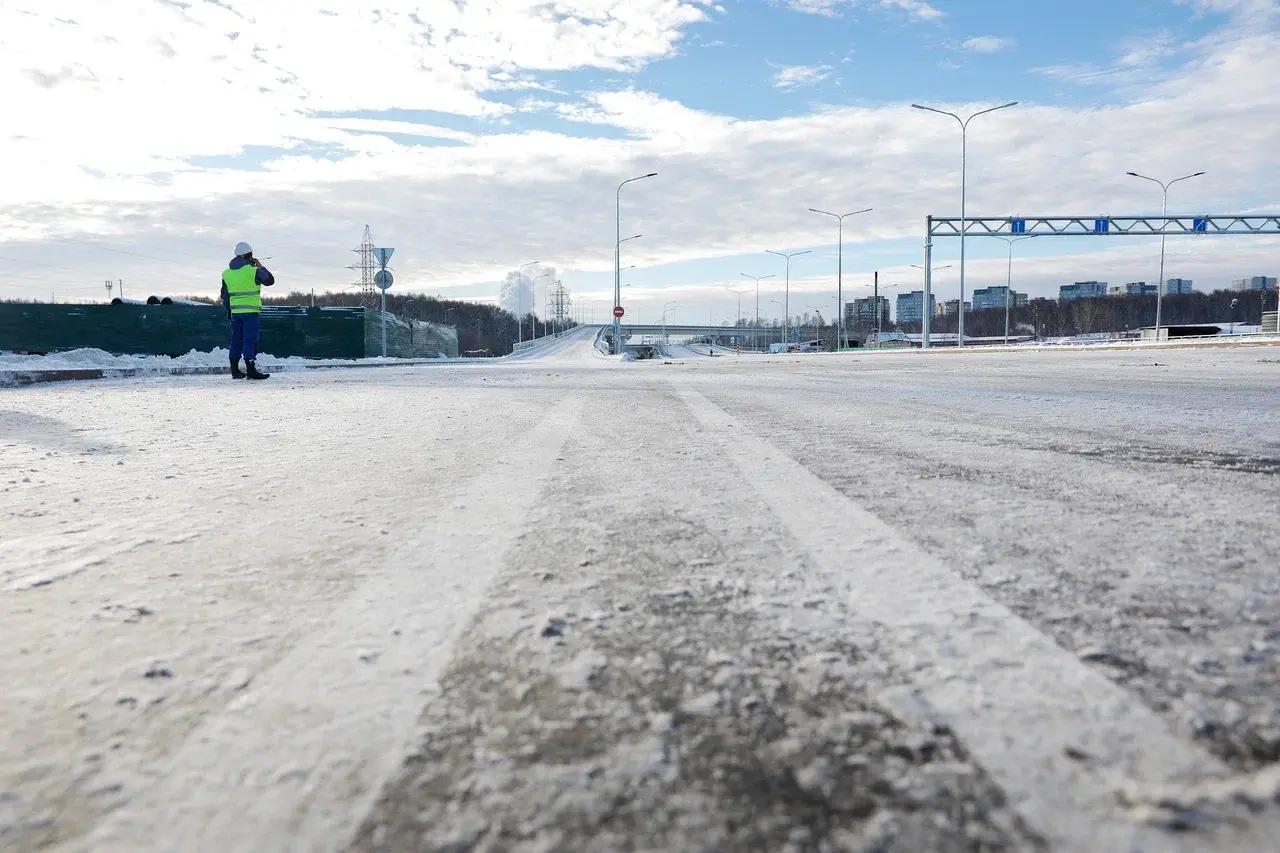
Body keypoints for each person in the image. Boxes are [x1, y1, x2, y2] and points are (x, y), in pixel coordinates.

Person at [220, 241, 275, 380]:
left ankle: (235, 370)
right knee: (250, 340)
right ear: (248, 255)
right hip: (250, 312)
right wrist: (260, 266)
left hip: (235, 313)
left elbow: (225, 296)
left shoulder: (226, 274)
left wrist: (229, 311)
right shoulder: (253, 271)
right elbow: (270, 280)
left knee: (236, 340)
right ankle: (251, 370)